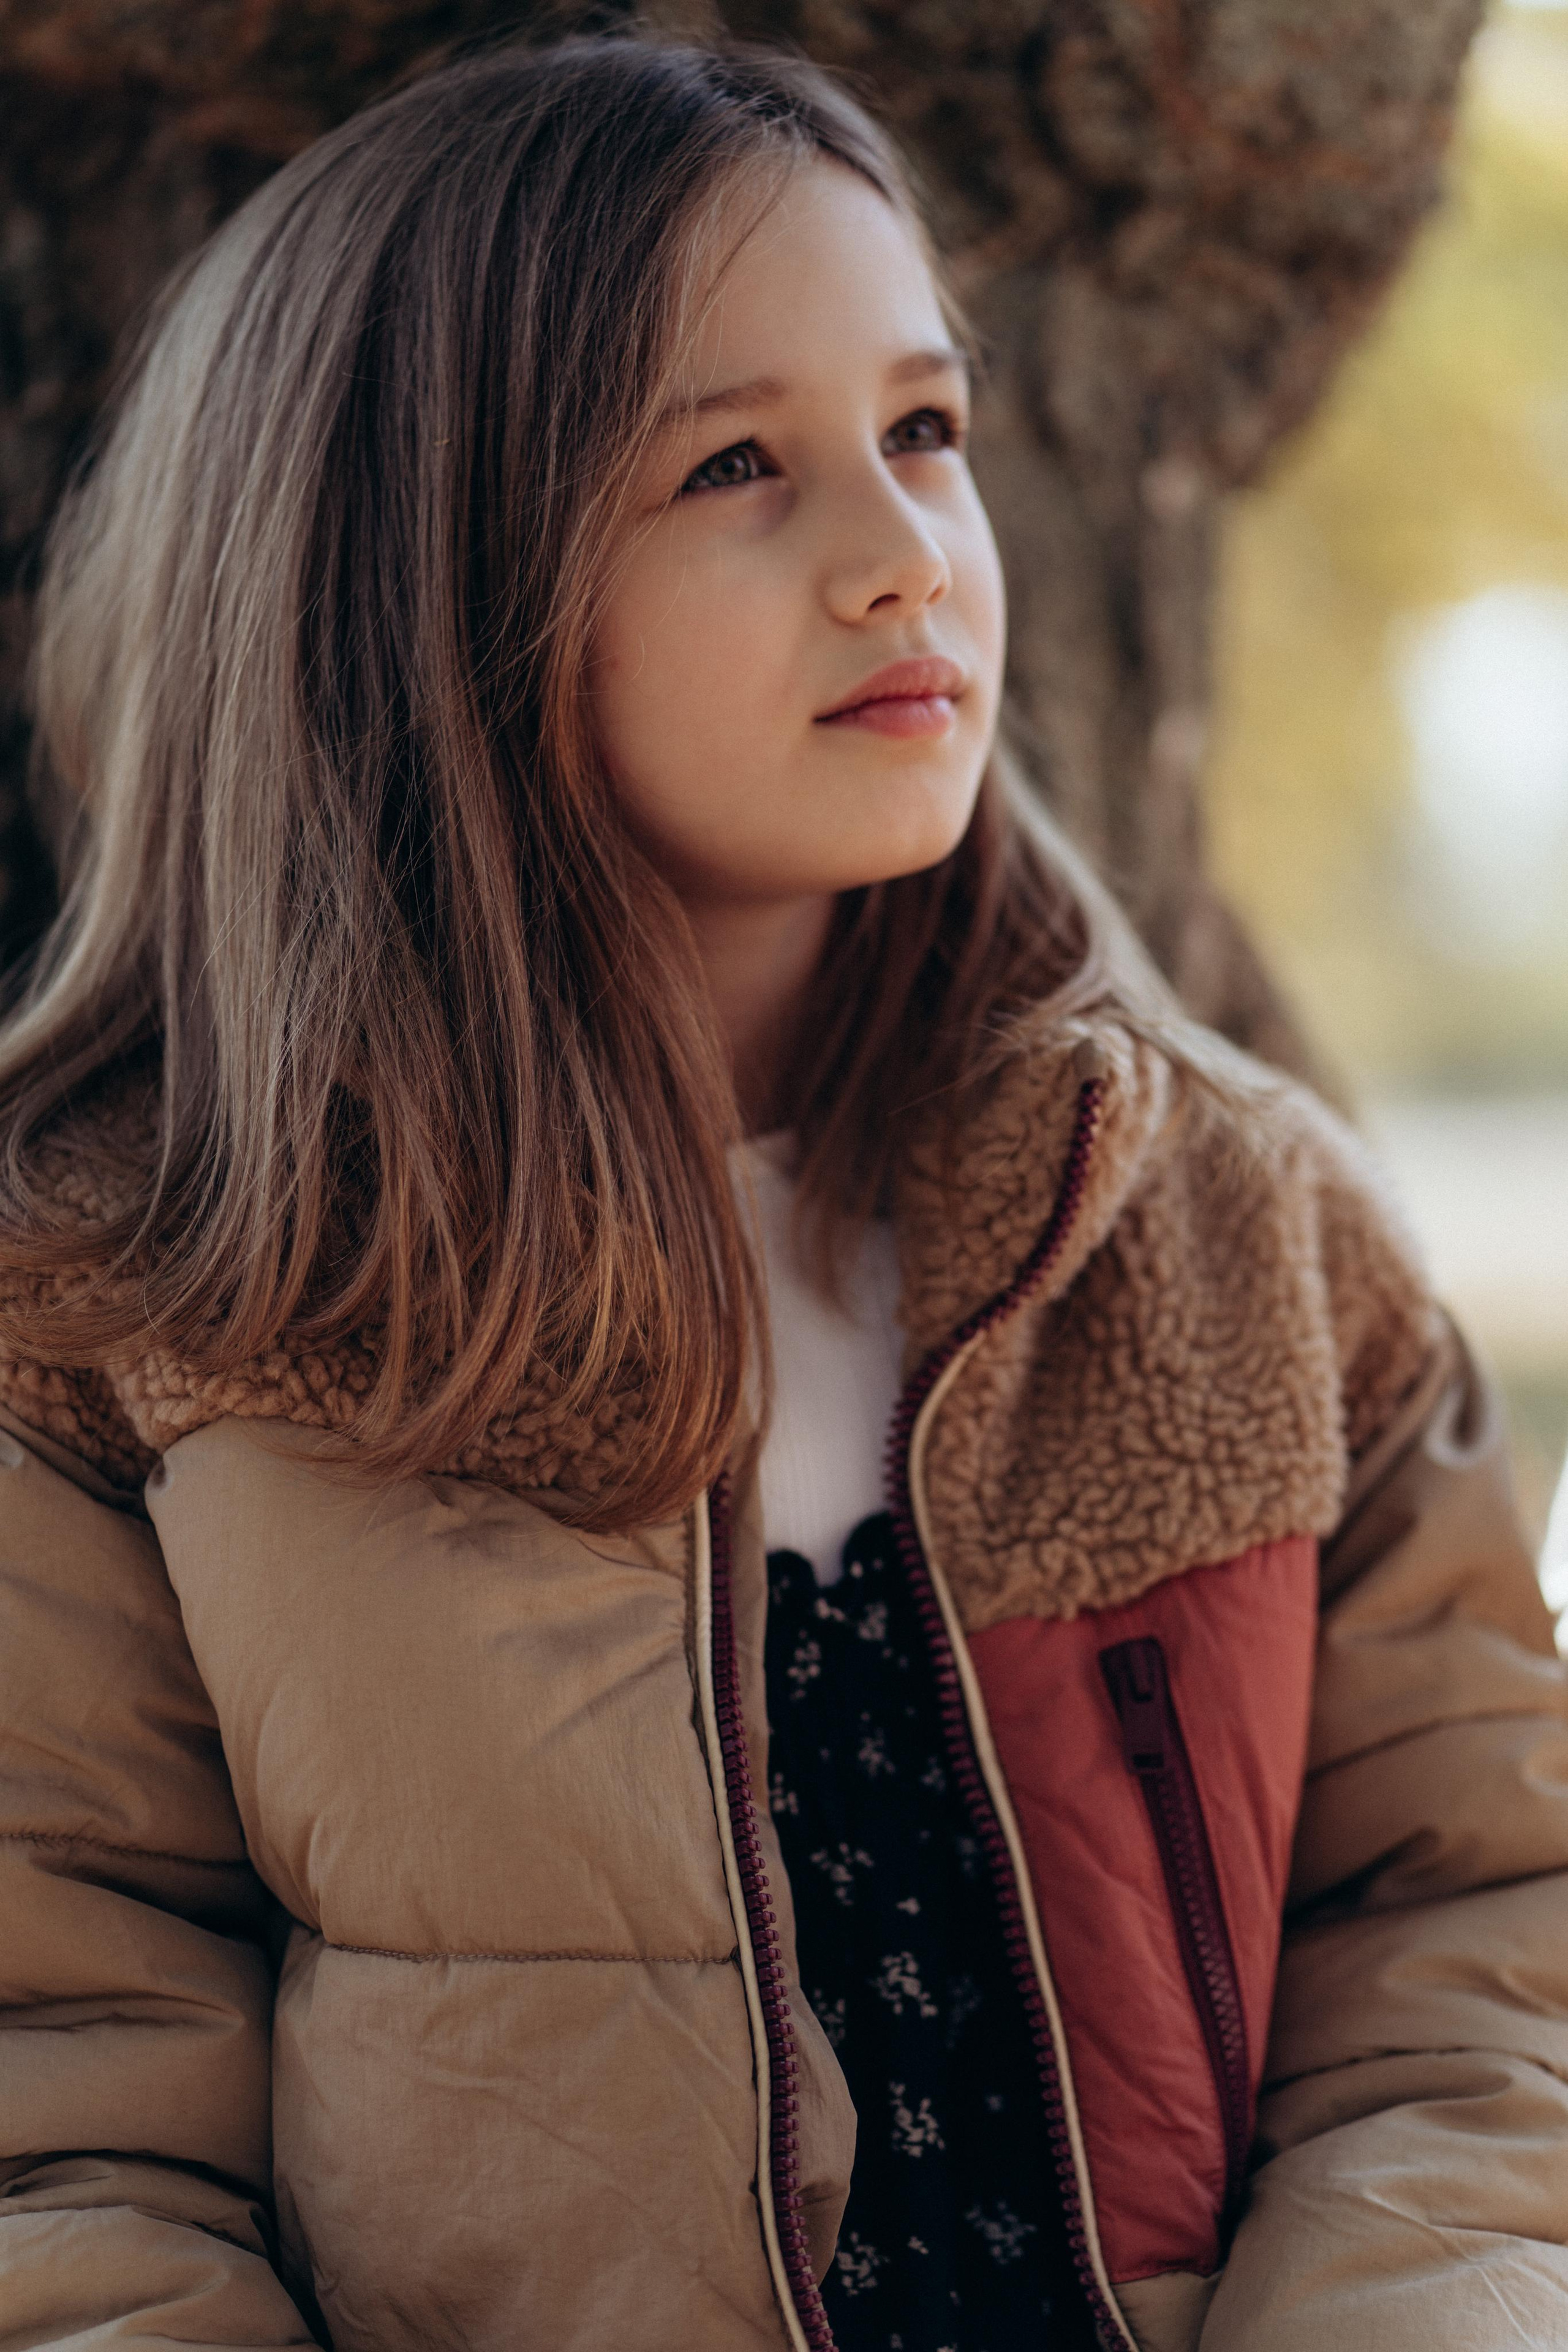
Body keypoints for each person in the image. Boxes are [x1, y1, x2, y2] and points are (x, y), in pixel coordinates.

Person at [0, 33, 1564, 2352]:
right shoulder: (123, 1320)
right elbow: (60, 2153)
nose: (904, 554)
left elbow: (1483, 1956)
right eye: (735, 464)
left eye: (924, 429)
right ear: (412, 580)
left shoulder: (1236, 1230)